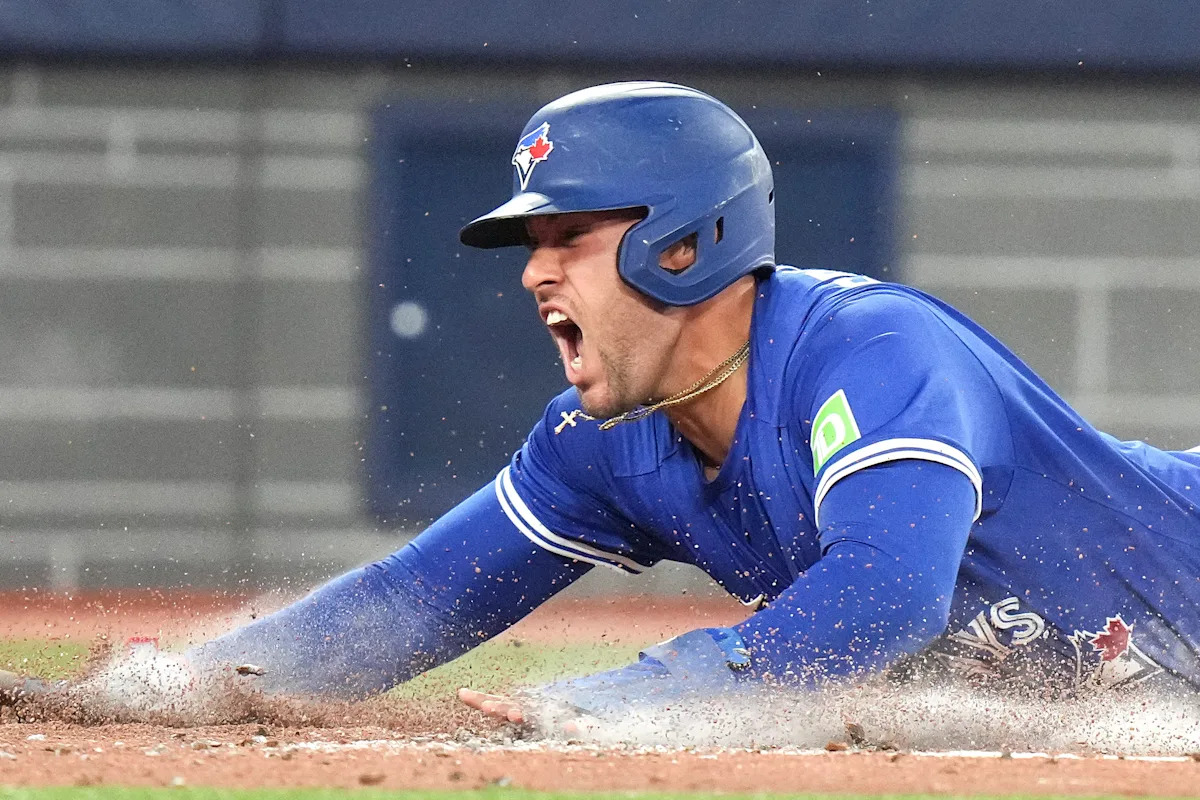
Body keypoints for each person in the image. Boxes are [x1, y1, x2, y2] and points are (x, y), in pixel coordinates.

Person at [6, 81, 1200, 724]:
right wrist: (169, 691)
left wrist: (622, 698)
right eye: (531, 242)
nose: (533, 272)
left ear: (685, 244)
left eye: (567, 235)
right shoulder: (604, 440)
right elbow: (408, 602)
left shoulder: (870, 348)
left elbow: (887, 593)